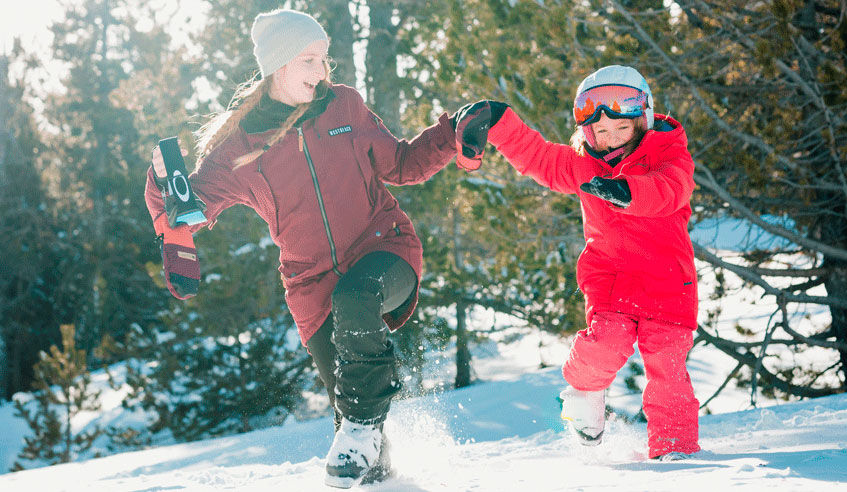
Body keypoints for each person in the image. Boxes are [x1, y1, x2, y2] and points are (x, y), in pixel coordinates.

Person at [145, 8, 466, 487]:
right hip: (310, 286)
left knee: (356, 307)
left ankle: (361, 425)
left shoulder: (344, 107)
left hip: (386, 251)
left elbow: (401, 164)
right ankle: (378, 469)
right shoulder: (241, 144)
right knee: (359, 448)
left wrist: (452, 134)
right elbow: (186, 212)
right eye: (310, 60)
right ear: (279, 66)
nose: (322, 72)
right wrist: (160, 180)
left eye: (323, 60)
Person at [454, 65, 701, 460]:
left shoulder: (669, 154)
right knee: (602, 346)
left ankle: (676, 452)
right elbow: (541, 158)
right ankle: (584, 395)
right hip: (613, 284)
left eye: (622, 129)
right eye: (601, 133)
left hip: (668, 284)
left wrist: (626, 190)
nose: (612, 140)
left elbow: (671, 190)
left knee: (668, 372)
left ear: (643, 121)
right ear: (588, 134)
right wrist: (499, 122)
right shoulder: (587, 165)